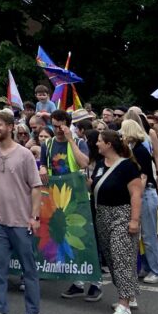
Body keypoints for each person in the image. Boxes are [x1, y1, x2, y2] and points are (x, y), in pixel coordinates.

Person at [0, 109, 41, 314]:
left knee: (29, 270)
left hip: (22, 222)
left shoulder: (24, 154)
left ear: (11, 127)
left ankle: (32, 312)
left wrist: (34, 216)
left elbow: (35, 187)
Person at [40, 109, 99, 303]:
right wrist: (41, 170)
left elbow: (83, 163)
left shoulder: (80, 142)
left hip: (78, 196)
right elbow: (43, 164)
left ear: (68, 124)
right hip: (58, 197)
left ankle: (95, 283)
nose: (57, 130)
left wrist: (71, 140)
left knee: (86, 239)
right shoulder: (47, 144)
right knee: (70, 238)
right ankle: (79, 281)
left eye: (60, 126)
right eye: (54, 126)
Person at [90, 130, 142, 314]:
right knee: (111, 258)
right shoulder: (99, 165)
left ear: (109, 144)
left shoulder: (128, 166)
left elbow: (136, 194)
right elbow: (96, 186)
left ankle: (124, 303)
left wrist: (134, 220)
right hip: (102, 214)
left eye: (99, 141)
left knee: (121, 257)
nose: (97, 144)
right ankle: (129, 293)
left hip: (123, 213)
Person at [118, 118, 158, 283]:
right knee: (141, 236)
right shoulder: (134, 150)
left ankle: (156, 270)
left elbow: (143, 177)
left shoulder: (140, 151)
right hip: (144, 194)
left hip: (146, 194)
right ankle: (147, 266)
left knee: (149, 235)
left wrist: (134, 196)